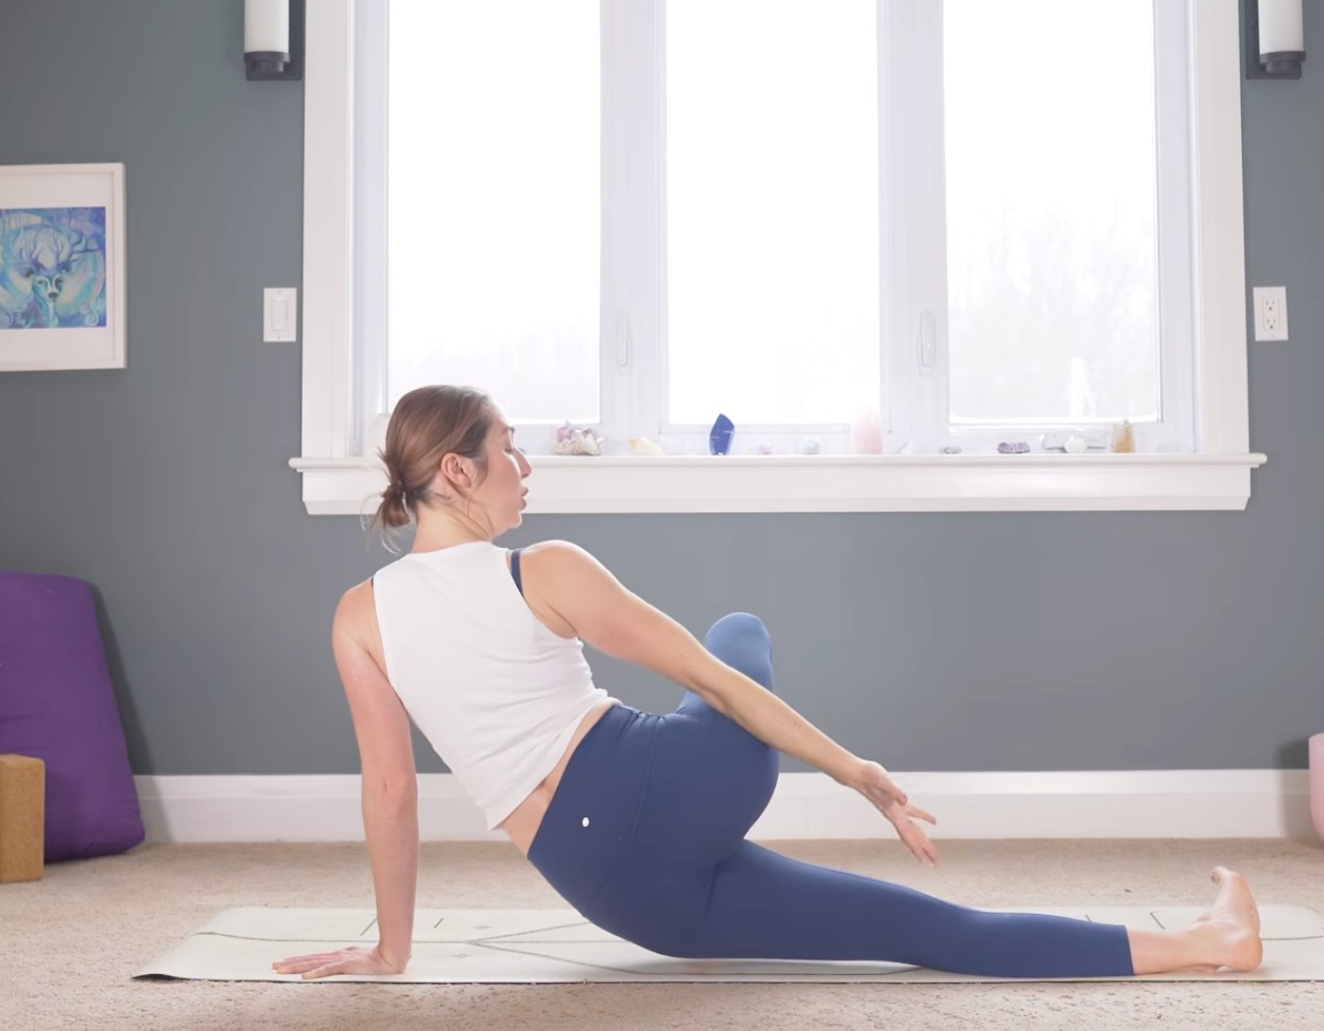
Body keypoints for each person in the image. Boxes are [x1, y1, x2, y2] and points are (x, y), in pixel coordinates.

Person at [274, 385, 1263, 981]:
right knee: (735, 635)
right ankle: (1210, 947)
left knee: (909, 932)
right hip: (673, 787)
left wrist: (390, 952)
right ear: (455, 470)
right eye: (508, 451)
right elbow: (712, 679)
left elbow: (392, 795)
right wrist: (852, 768)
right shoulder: (545, 570)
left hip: (616, 893)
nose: (525, 469)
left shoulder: (358, 616)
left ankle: (1212, 944)